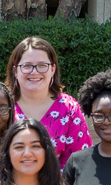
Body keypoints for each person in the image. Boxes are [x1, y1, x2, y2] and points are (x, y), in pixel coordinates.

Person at [6, 36, 92, 167]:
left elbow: (80, 161)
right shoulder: (3, 106)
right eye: (27, 66)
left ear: (53, 70)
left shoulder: (69, 109)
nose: (34, 72)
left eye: (42, 66)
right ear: (15, 71)